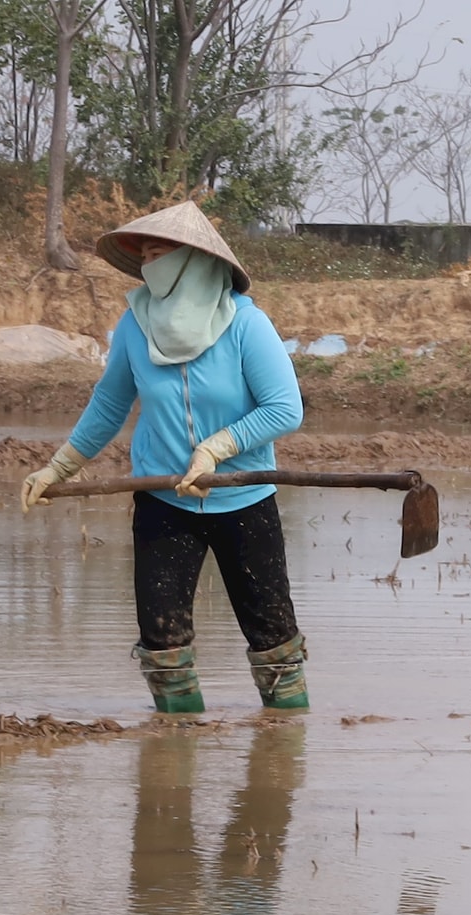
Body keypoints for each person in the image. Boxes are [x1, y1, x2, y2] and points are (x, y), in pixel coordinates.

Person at [21, 202, 308, 713]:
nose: (150, 266)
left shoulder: (246, 323)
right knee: (162, 641)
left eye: (161, 254)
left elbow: (285, 408)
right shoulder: (134, 326)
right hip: (163, 499)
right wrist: (60, 466)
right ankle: (175, 751)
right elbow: (110, 402)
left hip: (242, 497)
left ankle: (283, 747)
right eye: (145, 256)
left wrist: (217, 448)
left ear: (195, 261)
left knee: (273, 637)